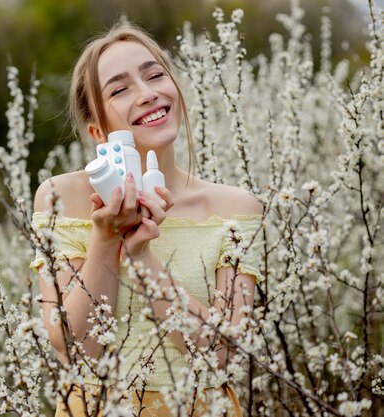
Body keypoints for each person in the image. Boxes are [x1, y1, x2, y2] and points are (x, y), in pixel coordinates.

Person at [30, 21, 263, 417]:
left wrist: (143, 259)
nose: (148, 93)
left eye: (155, 75)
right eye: (120, 89)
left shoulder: (235, 208)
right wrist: (105, 240)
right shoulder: (62, 199)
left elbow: (221, 355)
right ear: (97, 129)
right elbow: (76, 350)